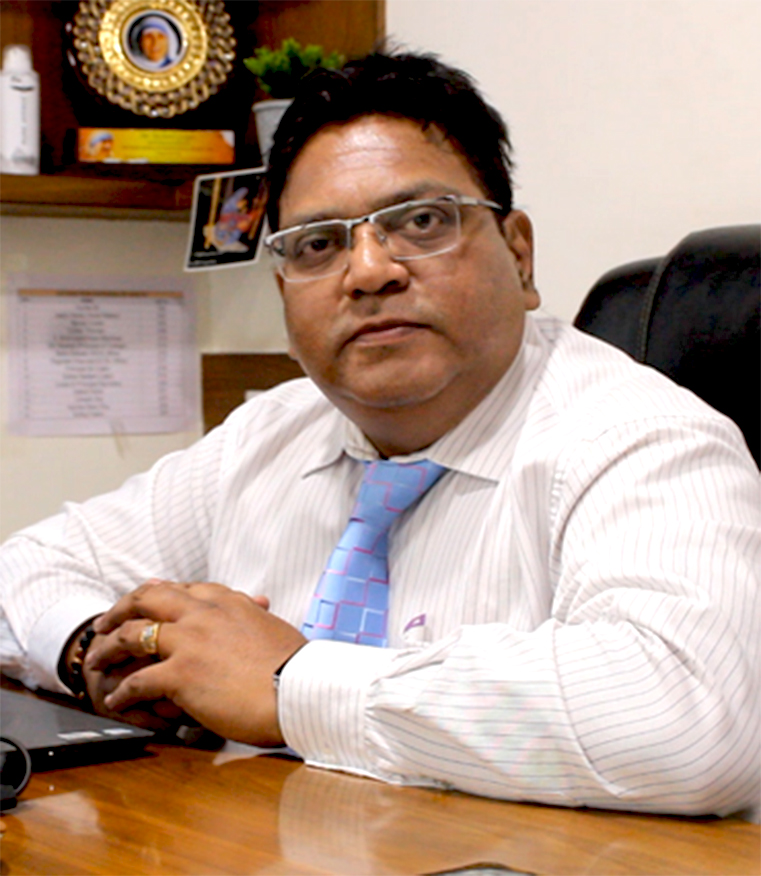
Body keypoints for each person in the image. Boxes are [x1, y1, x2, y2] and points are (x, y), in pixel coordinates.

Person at [1, 51, 758, 818]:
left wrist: (290, 684)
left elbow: (688, 721)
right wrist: (96, 651)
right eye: (317, 244)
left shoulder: (644, 440)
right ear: (284, 291)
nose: (367, 272)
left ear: (519, 255)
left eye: (421, 222)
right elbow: (21, 569)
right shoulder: (270, 433)